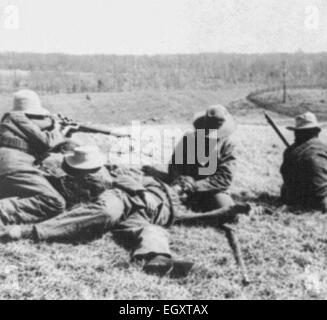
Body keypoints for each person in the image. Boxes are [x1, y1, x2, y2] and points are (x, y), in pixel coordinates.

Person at [0, 146, 250, 277]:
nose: (183, 188)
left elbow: (183, 218)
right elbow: (124, 177)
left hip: (144, 213)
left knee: (151, 231)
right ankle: (28, 232)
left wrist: (222, 213)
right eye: (182, 184)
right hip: (125, 201)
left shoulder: (169, 201)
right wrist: (143, 193)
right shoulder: (153, 182)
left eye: (186, 189)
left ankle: (157, 258)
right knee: (108, 211)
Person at [0, 89, 75, 225]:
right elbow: (47, 142)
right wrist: (58, 128)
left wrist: (65, 135)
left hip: (8, 166)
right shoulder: (16, 117)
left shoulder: (11, 123)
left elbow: (50, 147)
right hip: (14, 166)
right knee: (54, 202)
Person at [168, 104, 237, 212]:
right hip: (182, 186)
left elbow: (224, 178)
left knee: (228, 211)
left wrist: (194, 186)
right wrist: (179, 182)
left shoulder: (227, 145)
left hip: (209, 190)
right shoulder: (189, 138)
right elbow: (174, 165)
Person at [280, 112, 327, 212]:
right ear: (317, 131)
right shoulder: (319, 151)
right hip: (316, 202)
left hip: (290, 198)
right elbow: (320, 193)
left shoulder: (289, 151)